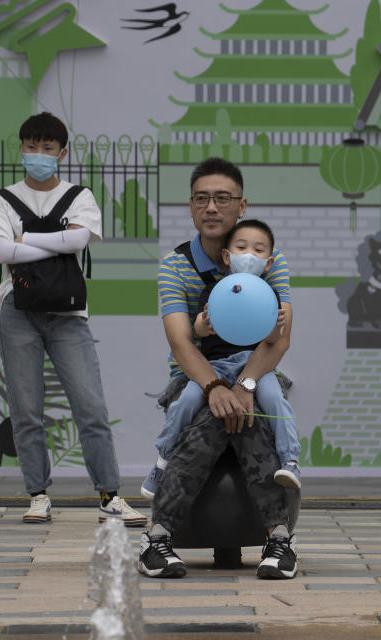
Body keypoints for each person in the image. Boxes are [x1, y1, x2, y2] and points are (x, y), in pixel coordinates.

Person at [0, 111, 146, 526]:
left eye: (47, 149)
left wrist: (26, 239)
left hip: (68, 313)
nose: (38, 155)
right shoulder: (3, 198)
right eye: (31, 147)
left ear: (62, 152)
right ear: (21, 148)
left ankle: (110, 494)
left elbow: (78, 239)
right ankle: (38, 494)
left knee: (90, 406)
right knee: (25, 409)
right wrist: (55, 243)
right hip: (18, 310)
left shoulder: (79, 196)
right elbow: (3, 253)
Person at [138, 157, 297, 580]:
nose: (212, 207)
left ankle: (159, 537)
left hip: (255, 371)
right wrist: (215, 389)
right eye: (202, 199)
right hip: (192, 378)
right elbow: (180, 342)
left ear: (241, 206)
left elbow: (279, 339)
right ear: (191, 207)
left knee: (241, 415)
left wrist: (244, 384)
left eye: (222, 199)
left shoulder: (267, 257)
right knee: (222, 418)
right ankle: (278, 540)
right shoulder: (175, 265)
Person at [139, 218, 301, 500]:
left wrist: (277, 326)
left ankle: (290, 461)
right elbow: (196, 333)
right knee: (186, 401)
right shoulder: (213, 291)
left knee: (276, 401)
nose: (249, 255)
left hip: (255, 367)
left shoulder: (271, 296)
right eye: (241, 247)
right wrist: (202, 324)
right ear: (227, 256)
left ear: (269, 263)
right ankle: (162, 462)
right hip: (215, 367)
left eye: (258, 250)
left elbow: (274, 341)